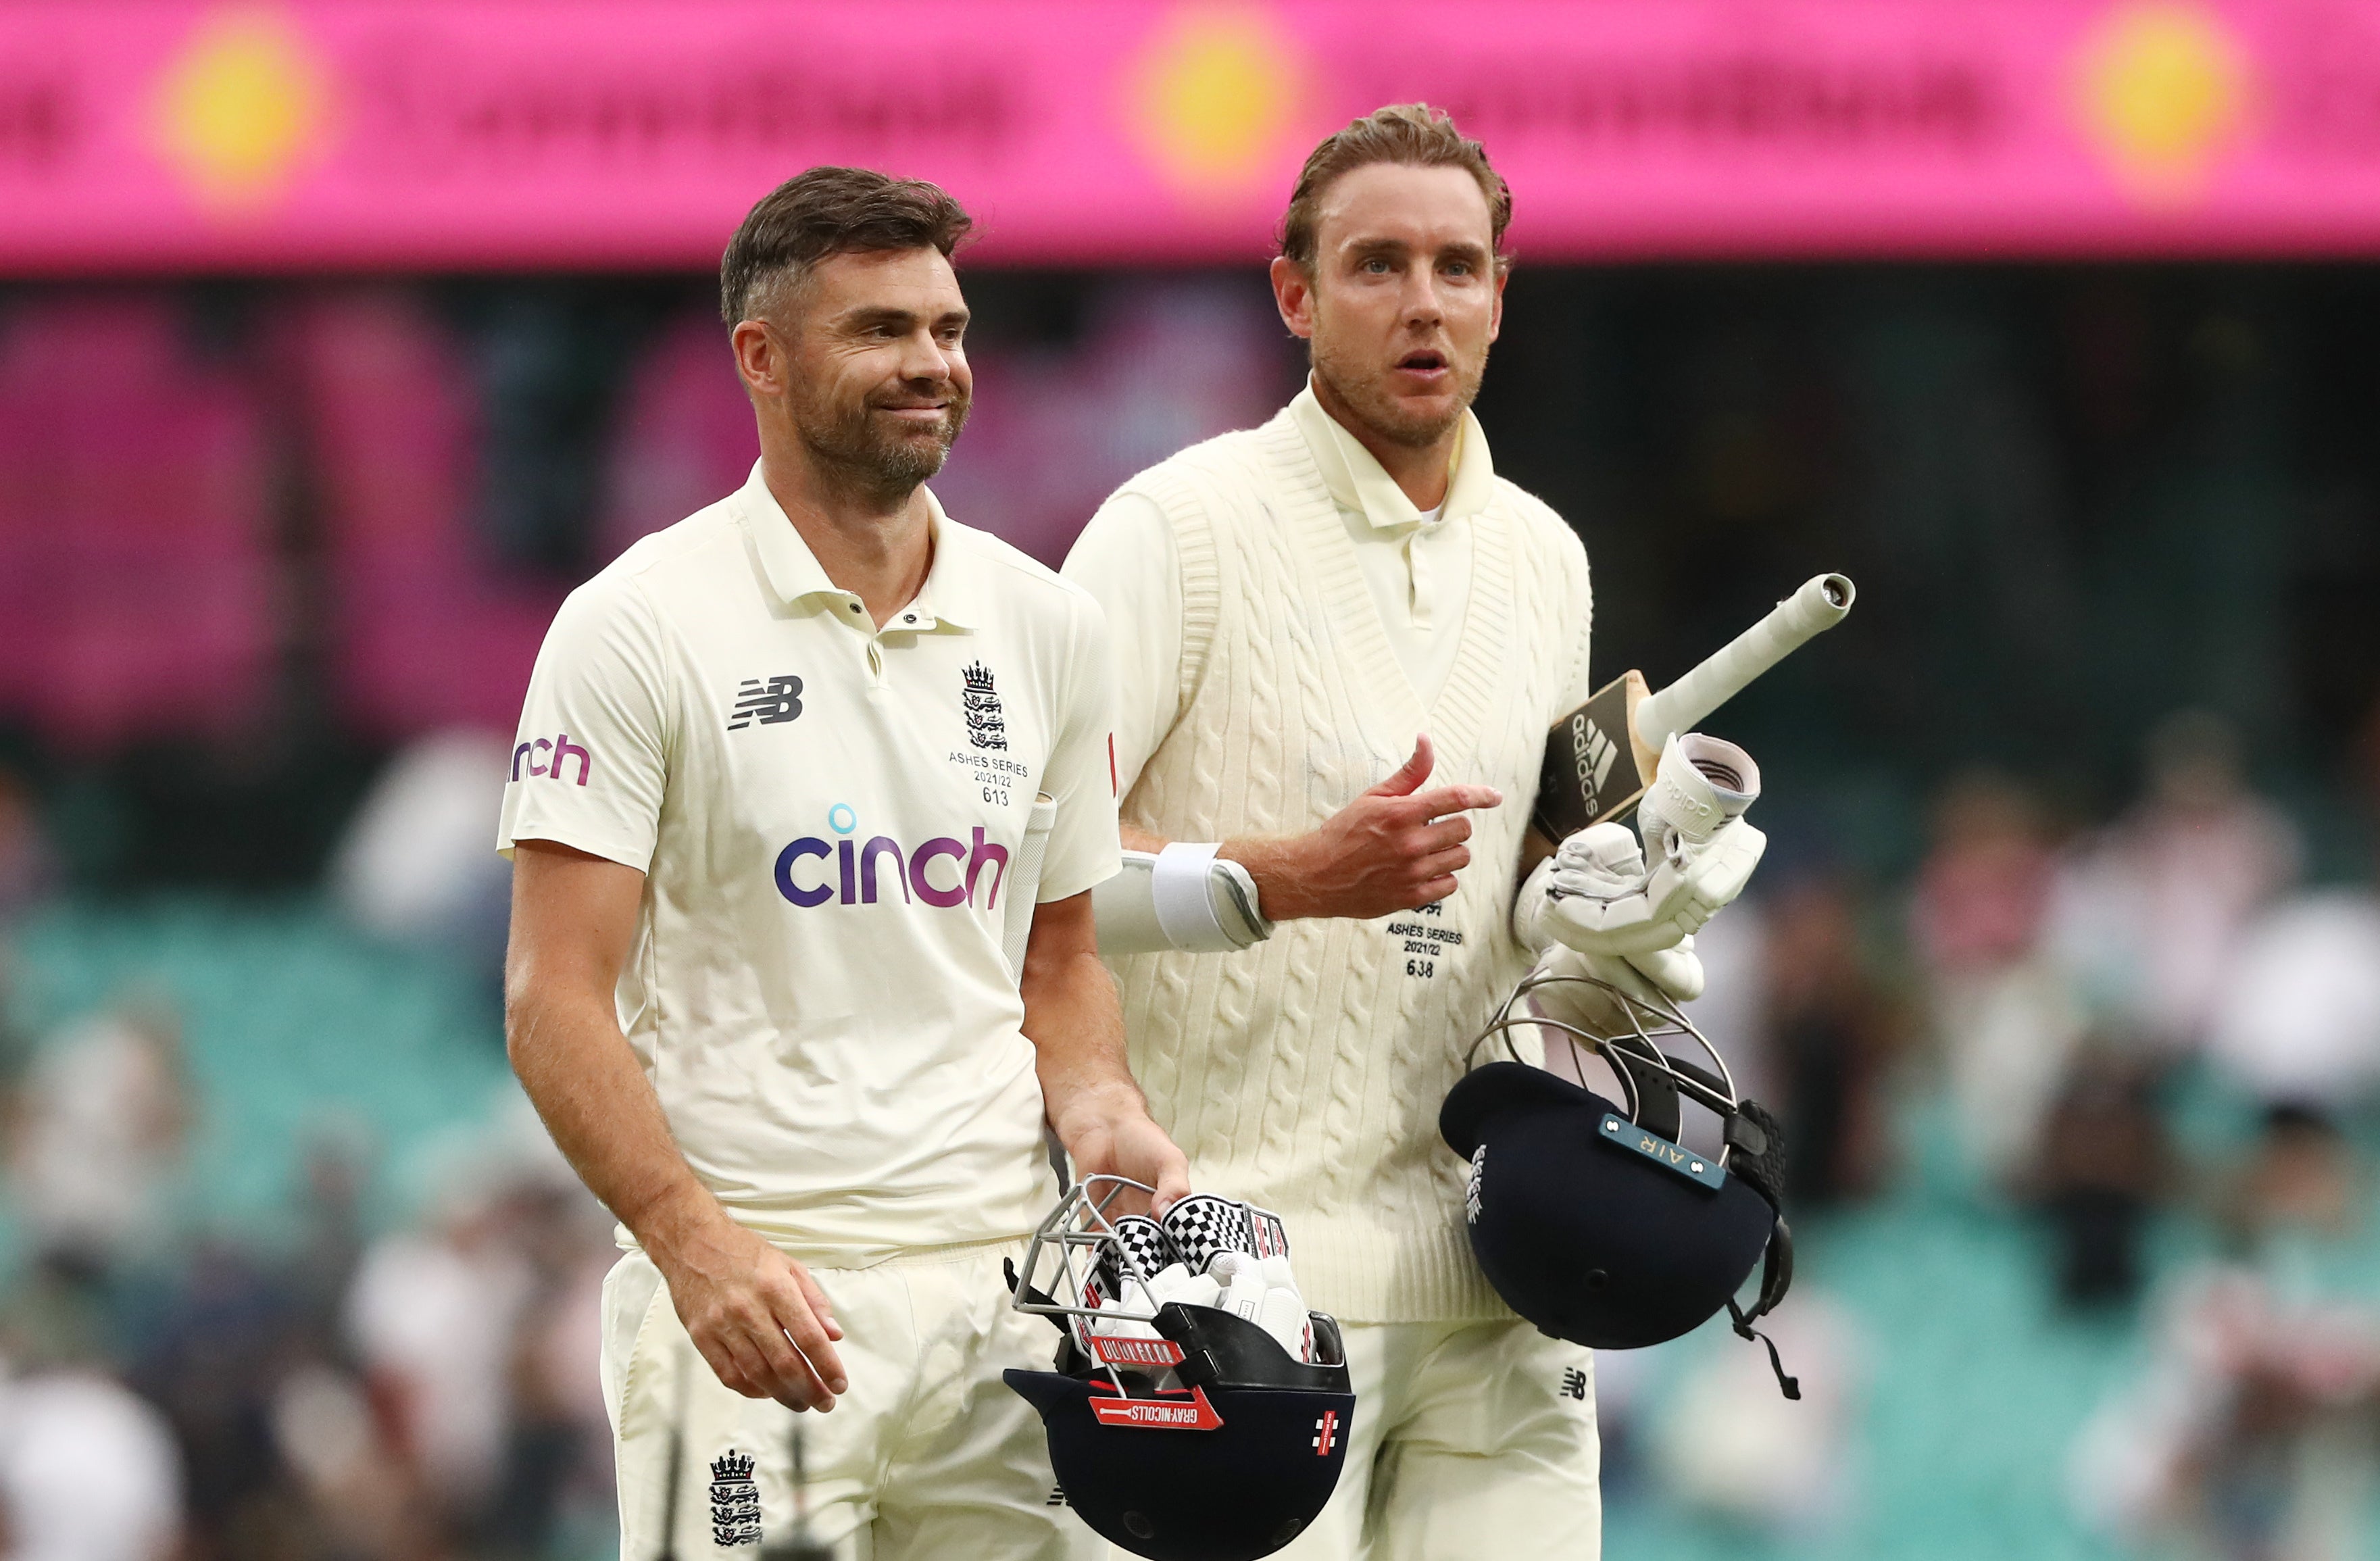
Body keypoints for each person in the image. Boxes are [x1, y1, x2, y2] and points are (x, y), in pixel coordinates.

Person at [1064, 105, 1725, 1557]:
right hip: (1224, 1285)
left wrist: (1629, 895)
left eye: (1456, 266)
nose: (1422, 301)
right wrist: (1278, 883)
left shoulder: (1547, 556)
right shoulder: (1175, 530)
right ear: (1295, 294)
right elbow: (999, 881)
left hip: (1505, 1278)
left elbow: (1531, 897)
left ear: (1500, 295)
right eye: (1376, 266)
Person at [501, 167, 1187, 1561]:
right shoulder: (632, 625)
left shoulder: (1050, 626)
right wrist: (693, 1246)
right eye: (880, 330)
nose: (932, 363)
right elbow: (550, 997)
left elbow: (1057, 961)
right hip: (757, 1303)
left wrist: (1104, 1109)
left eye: (948, 327)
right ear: (762, 358)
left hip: (1006, 1312)